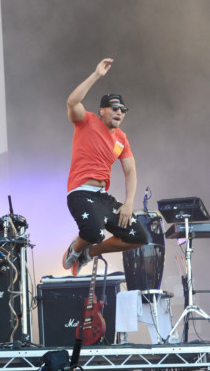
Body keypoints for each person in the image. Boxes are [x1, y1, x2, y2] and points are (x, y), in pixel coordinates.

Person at [62, 58, 147, 275]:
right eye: (115, 108)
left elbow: (130, 170)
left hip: (102, 197)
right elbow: (72, 102)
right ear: (102, 111)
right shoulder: (86, 121)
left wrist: (128, 203)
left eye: (123, 109)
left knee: (140, 237)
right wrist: (97, 75)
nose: (120, 112)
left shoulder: (122, 139)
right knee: (94, 233)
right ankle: (76, 248)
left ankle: (89, 254)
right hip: (80, 192)